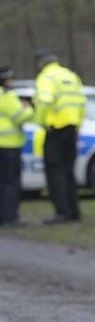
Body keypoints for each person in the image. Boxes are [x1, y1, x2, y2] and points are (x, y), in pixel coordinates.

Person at [33, 48, 86, 224]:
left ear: (41, 63)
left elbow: (45, 101)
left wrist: (41, 122)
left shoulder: (46, 78)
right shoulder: (71, 76)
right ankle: (74, 211)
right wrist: (77, 126)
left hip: (55, 129)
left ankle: (61, 212)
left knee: (55, 171)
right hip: (72, 128)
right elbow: (81, 104)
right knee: (69, 171)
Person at [0, 66, 33, 227]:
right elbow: (19, 117)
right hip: (9, 145)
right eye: (9, 79)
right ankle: (10, 217)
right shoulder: (7, 96)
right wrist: (28, 108)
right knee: (11, 183)